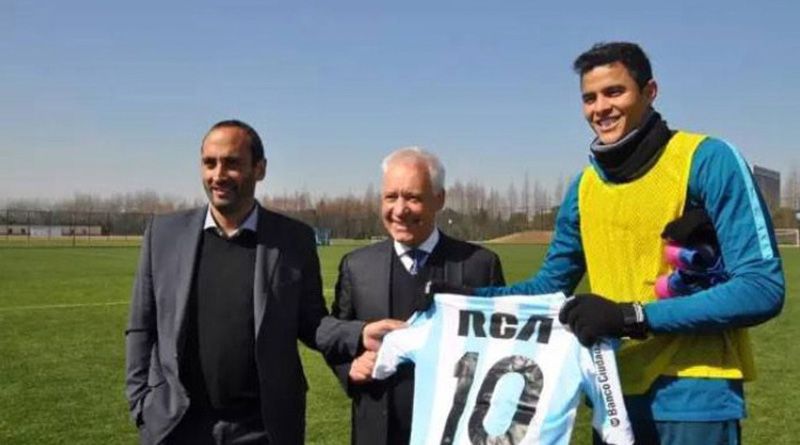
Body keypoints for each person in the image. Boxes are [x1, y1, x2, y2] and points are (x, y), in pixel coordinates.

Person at [475, 42, 785, 445]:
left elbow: (762, 287)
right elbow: (549, 287)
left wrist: (632, 317)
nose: (600, 108)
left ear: (650, 92)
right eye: (589, 98)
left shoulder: (708, 159)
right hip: (612, 396)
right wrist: (465, 297)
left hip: (694, 396)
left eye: (614, 92)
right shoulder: (583, 187)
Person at [125, 119, 402, 445]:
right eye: (209, 163)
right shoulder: (164, 234)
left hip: (262, 428)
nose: (217, 175)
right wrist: (141, 402)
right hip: (178, 425)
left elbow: (311, 321)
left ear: (260, 169)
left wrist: (358, 333)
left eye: (231, 163)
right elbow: (142, 326)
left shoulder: (293, 239)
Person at [326, 146, 506, 445]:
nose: (399, 210)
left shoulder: (479, 265)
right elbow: (336, 334)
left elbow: (500, 346)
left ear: (439, 199)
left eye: (413, 197)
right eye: (390, 197)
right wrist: (349, 368)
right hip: (377, 432)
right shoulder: (357, 266)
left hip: (455, 432)